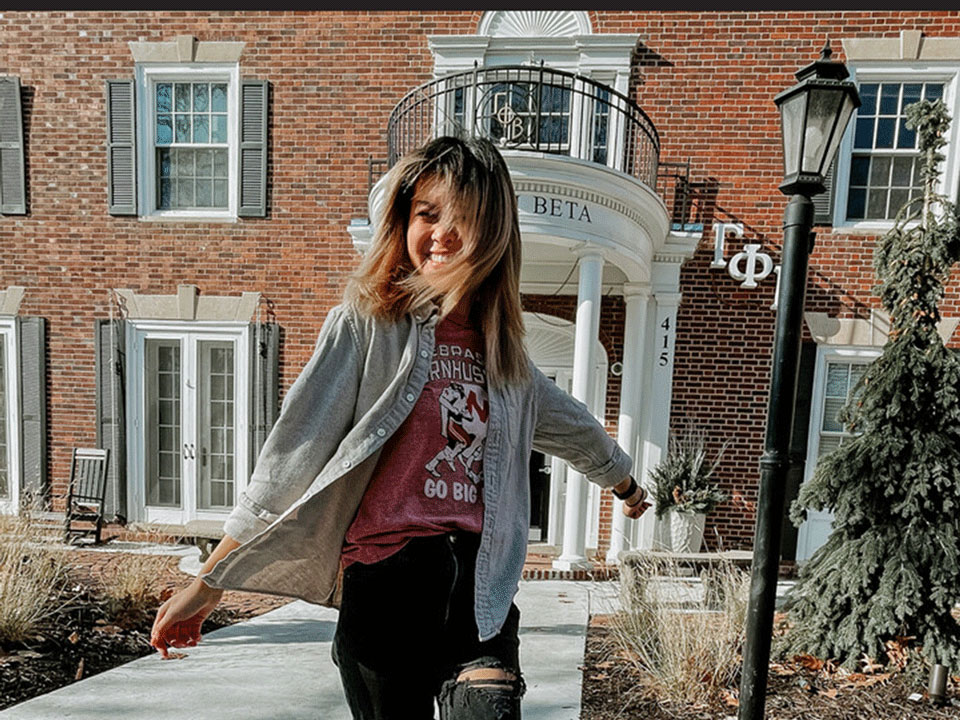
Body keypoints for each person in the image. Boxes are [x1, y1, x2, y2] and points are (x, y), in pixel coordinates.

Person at [150, 135, 651, 720]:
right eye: (427, 213)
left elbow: (572, 425)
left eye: (463, 218)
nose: (441, 233)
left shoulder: (506, 356)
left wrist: (624, 483)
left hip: (481, 587)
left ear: (494, 234)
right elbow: (289, 461)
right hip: (385, 585)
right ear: (403, 221)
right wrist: (209, 584)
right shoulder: (365, 326)